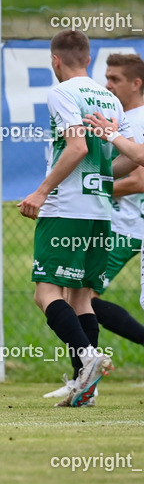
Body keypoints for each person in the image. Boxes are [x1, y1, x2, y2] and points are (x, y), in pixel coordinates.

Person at [20, 29, 121, 407]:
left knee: (46, 293)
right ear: (89, 59)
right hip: (100, 209)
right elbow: (118, 158)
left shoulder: (61, 92)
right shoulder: (111, 99)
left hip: (67, 207)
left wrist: (42, 191)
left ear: (55, 60)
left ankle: (88, 357)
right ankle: (86, 387)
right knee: (82, 299)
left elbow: (76, 146)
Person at [44, 53, 144, 401]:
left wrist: (83, 186)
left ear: (137, 83)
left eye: (116, 79)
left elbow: (138, 176)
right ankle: (84, 380)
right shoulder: (115, 112)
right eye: (107, 77)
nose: (108, 84)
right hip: (108, 219)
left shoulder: (130, 120)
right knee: (80, 297)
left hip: (123, 227)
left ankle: (86, 369)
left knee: (69, 296)